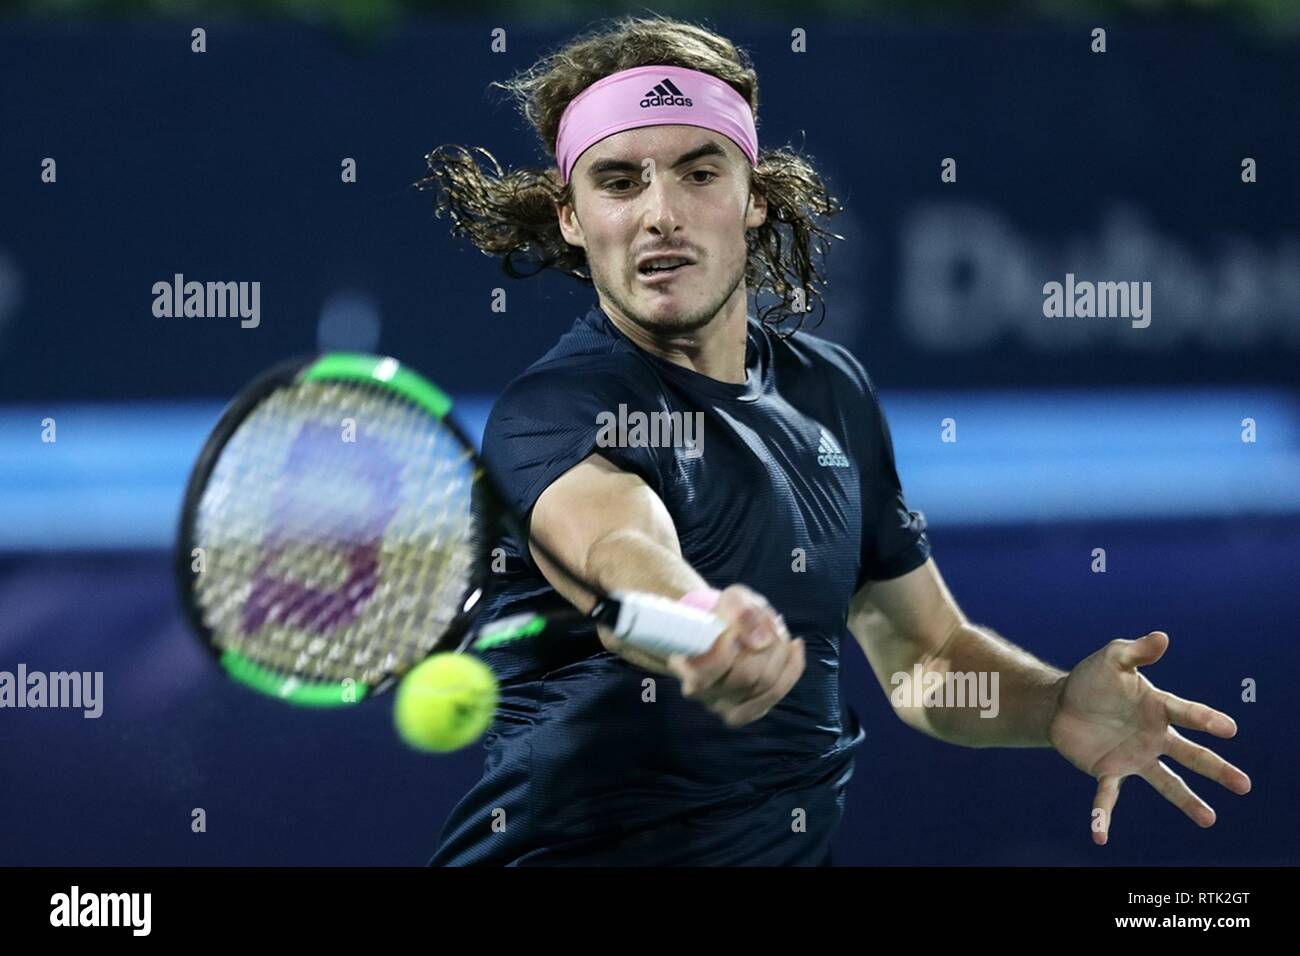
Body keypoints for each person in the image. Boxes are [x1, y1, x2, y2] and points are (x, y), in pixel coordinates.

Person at [419, 15, 1250, 866]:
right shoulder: (552, 409)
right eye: (618, 181)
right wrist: (700, 618)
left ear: (753, 200)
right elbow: (619, 545)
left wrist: (1050, 704)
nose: (660, 214)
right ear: (569, 217)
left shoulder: (830, 390)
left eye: (699, 172)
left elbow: (924, 657)